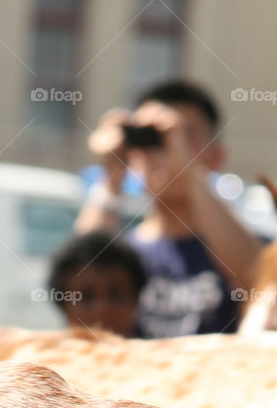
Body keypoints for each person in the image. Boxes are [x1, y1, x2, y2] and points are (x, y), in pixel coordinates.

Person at [75, 80, 259, 338]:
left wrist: (190, 174)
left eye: (187, 137)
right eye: (153, 139)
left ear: (216, 157)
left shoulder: (237, 242)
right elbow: (76, 285)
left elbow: (258, 280)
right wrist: (112, 173)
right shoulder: (127, 252)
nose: (167, 150)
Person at [47, 232, 146, 338]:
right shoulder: (37, 353)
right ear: (63, 305)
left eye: (115, 295)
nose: (102, 309)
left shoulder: (160, 352)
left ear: (135, 299)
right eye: (86, 296)